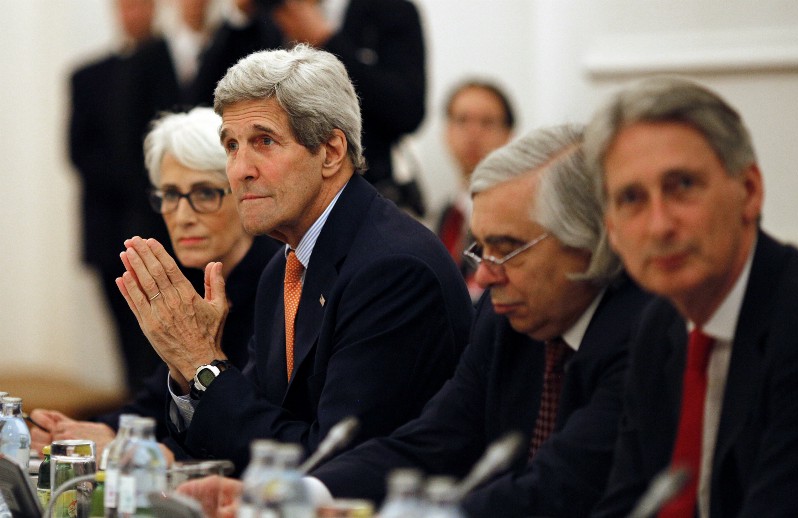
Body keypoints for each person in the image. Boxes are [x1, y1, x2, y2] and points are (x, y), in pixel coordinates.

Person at [178, 125, 653, 517]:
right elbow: (432, 441)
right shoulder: (505, 316)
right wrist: (299, 496)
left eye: (507, 249)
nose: (485, 275)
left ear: (589, 241)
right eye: (481, 249)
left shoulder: (643, 333)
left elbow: (561, 485)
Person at [115, 44, 473, 474]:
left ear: (331, 151)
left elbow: (329, 461)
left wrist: (202, 363)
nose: (239, 169)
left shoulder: (393, 269)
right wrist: (187, 366)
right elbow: (253, 424)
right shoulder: (284, 268)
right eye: (231, 145)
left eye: (263, 141)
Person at [585, 77, 798, 517]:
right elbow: (627, 503)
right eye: (631, 198)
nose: (659, 225)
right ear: (611, 228)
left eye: (681, 185)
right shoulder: (658, 326)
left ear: (750, 191)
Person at [31, 107, 282, 461]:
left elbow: (250, 425)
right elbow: (159, 396)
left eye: (205, 194)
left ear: (244, 190)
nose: (182, 217)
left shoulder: (276, 281)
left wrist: (155, 453)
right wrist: (105, 430)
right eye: (170, 195)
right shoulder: (194, 277)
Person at [69, 0, 175, 393]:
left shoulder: (172, 65)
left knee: (162, 341)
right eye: (127, 6)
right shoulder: (88, 75)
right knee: (127, 346)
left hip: (163, 227)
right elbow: (80, 153)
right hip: (108, 227)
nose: (134, 13)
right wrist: (137, 184)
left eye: (142, 5)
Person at [242, 0, 428, 216]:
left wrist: (328, 42)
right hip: (276, 194)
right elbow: (214, 99)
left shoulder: (391, 10)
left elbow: (408, 110)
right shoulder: (268, 14)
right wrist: (238, 16)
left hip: (363, 192)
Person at [436, 79, 515, 300]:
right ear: (447, 132)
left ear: (509, 135)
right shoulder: (449, 212)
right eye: (462, 120)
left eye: (487, 122)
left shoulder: (515, 217)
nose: (473, 133)